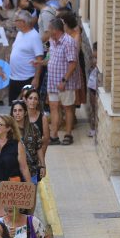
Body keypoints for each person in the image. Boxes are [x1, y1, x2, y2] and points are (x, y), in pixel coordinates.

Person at [46, 18, 80, 146]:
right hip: (52, 82)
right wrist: (42, 62)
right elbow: (51, 57)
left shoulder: (68, 42)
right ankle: (54, 136)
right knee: (54, 107)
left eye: (49, 29)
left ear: (55, 30)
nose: (48, 31)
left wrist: (64, 81)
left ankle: (68, 134)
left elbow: (73, 63)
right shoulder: (52, 40)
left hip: (65, 83)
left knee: (67, 108)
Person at [8, 10, 44, 104]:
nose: (14, 22)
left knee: (27, 107)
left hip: (27, 78)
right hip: (14, 78)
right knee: (14, 107)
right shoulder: (20, 33)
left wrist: (36, 78)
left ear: (23, 22)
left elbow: (39, 59)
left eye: (16, 20)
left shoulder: (34, 36)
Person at [10, 101, 45, 185]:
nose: (17, 113)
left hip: (31, 171)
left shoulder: (33, 128)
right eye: (15, 111)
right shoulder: (8, 130)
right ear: (12, 113)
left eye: (20, 110)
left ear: (25, 112)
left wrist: (43, 165)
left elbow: (39, 148)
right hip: (13, 173)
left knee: (31, 193)